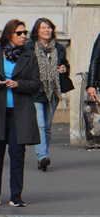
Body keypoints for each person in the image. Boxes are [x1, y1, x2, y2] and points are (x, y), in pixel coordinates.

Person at [0, 19, 41, 207]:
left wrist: (18, 84)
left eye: (24, 32)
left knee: (17, 153)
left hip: (20, 111)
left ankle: (16, 195)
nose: (23, 36)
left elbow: (36, 84)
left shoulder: (29, 55)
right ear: (9, 35)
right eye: (19, 33)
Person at [29, 18, 66, 172]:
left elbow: (65, 64)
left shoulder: (58, 48)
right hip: (36, 91)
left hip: (53, 92)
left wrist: (64, 68)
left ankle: (43, 155)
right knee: (41, 125)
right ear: (37, 31)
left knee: (48, 127)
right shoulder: (29, 48)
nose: (47, 30)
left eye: (49, 27)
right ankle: (42, 156)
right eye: (43, 27)